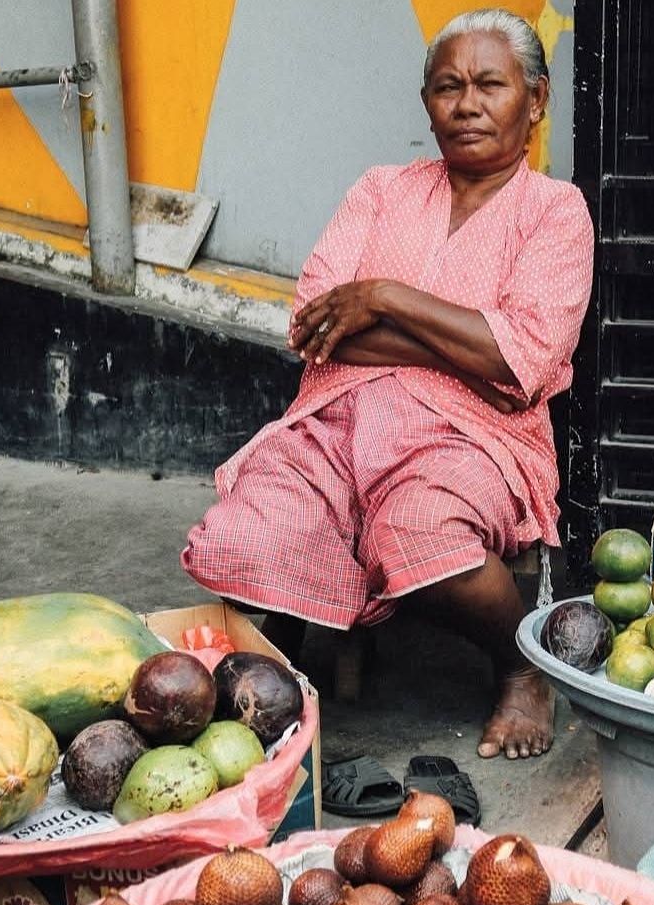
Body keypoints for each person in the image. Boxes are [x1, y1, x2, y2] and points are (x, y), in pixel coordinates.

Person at [182, 8, 594, 760]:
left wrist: (383, 297)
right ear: (427, 102)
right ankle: (309, 639)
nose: (466, 104)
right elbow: (312, 323)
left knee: (420, 536)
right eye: (446, 86)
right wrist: (465, 335)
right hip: (333, 422)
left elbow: (521, 358)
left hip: (471, 438)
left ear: (535, 101)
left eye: (490, 85)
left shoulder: (554, 213)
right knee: (242, 536)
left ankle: (521, 667)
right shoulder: (381, 191)